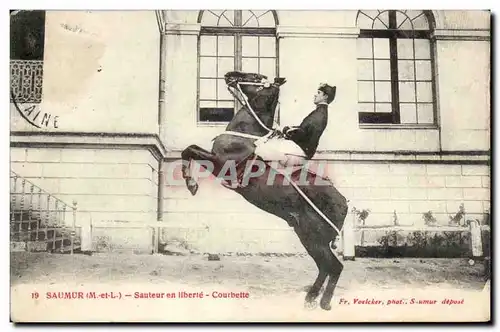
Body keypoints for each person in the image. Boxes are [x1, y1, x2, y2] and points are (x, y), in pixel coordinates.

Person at [254, 83, 336, 167]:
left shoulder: (319, 114)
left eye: (318, 93)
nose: (315, 95)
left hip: (301, 150)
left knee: (261, 148)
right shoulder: (320, 112)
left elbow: (303, 134)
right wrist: (289, 129)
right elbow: (304, 130)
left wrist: (285, 130)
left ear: (325, 97)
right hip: (302, 150)